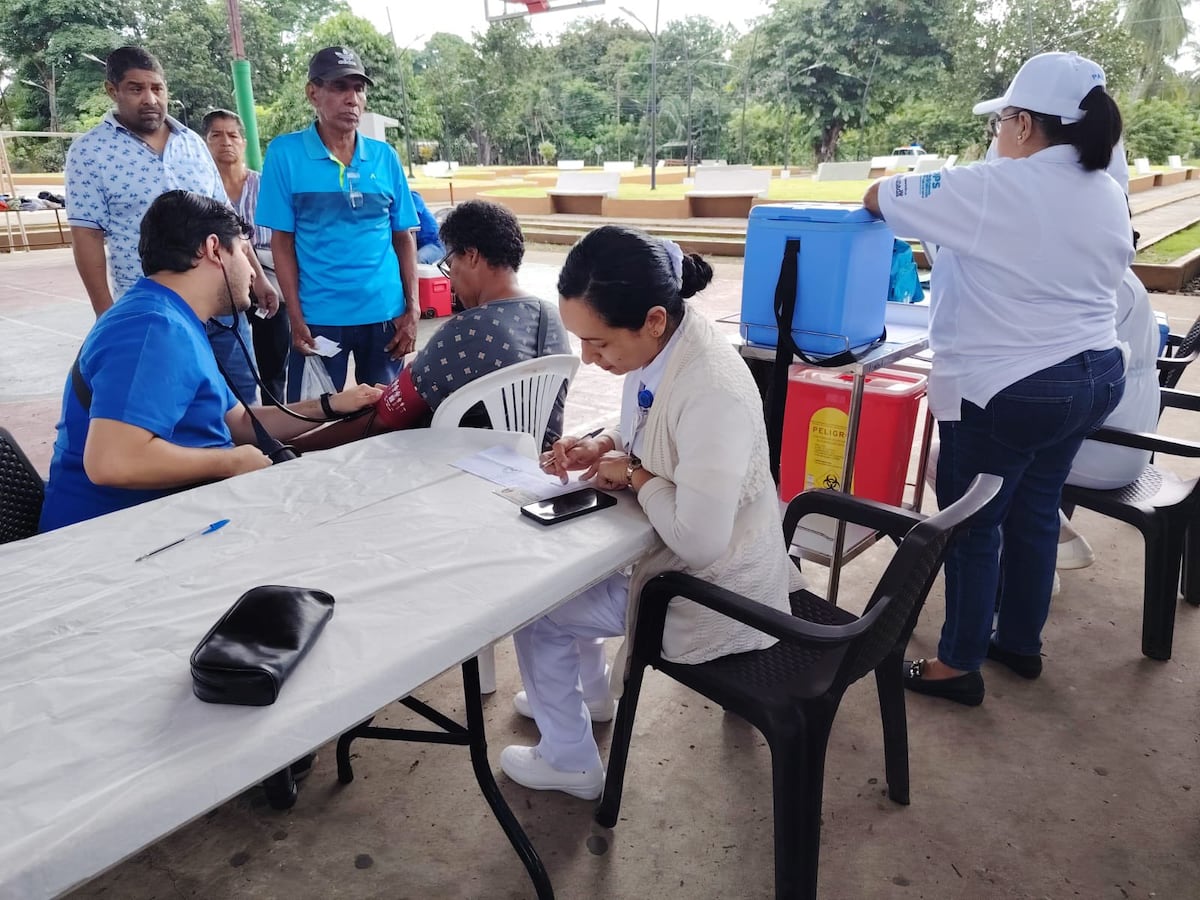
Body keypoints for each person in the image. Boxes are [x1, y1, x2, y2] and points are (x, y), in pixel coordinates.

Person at [862, 51, 1131, 705]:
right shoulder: (1105, 189)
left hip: (1014, 388)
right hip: (1094, 375)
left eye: (999, 122)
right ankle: (1018, 642)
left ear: (1023, 123)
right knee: (1035, 511)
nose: (995, 135)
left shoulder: (994, 186)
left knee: (972, 526)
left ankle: (958, 664)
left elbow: (876, 198)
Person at [499, 226, 803, 799]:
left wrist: (635, 474)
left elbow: (699, 542)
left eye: (598, 344)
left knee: (537, 611)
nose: (588, 358)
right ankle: (589, 698)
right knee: (570, 580)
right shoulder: (664, 347)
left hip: (715, 592)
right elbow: (649, 421)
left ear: (654, 320)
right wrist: (601, 444)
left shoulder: (711, 390)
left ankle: (568, 760)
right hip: (694, 565)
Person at [39, 191, 382, 533]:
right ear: (214, 248)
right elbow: (113, 461)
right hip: (112, 537)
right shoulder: (152, 329)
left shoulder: (172, 317)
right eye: (245, 253)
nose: (253, 272)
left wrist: (331, 405)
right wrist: (230, 461)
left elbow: (239, 423)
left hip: (159, 519)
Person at [65, 47, 277, 402]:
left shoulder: (192, 144)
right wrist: (106, 315)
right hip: (153, 314)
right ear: (112, 90)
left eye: (157, 88)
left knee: (243, 399)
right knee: (173, 406)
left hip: (221, 302)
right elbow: (87, 236)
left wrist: (257, 277)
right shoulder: (90, 153)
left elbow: (227, 221)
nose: (150, 99)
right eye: (136, 89)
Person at [292, 200, 571, 451]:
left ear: (472, 256)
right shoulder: (551, 316)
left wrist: (293, 448)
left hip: (460, 467)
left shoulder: (466, 329)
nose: (451, 281)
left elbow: (383, 420)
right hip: (535, 458)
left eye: (449, 263)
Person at [256, 46, 421, 402]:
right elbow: (282, 243)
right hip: (319, 317)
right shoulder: (285, 154)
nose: (352, 99)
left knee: (386, 415)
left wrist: (413, 309)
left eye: (358, 89)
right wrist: (295, 317)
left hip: (385, 315)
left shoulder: (384, 157)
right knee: (311, 416)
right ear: (313, 93)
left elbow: (403, 237)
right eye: (339, 87)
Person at [203, 108, 292, 403]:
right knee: (231, 366)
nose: (225, 142)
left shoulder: (266, 185)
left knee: (273, 363)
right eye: (216, 135)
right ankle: (238, 416)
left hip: (268, 280)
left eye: (232, 135)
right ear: (205, 142)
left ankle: (275, 415)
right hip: (221, 282)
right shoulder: (200, 188)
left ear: (244, 142)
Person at [411, 190, 446, 265]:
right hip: (418, 246)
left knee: (417, 260)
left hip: (434, 244)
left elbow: (411, 216)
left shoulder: (412, 196)